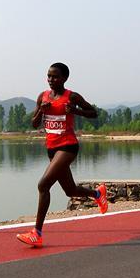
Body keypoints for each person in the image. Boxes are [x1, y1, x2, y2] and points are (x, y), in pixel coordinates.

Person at [16, 62, 108, 247]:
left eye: (55, 76)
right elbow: (34, 124)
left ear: (64, 78)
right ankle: (97, 193)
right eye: (49, 76)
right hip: (51, 148)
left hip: (68, 147)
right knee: (70, 191)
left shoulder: (71, 96)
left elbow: (93, 113)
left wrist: (75, 110)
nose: (51, 79)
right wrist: (42, 110)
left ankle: (37, 233)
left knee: (43, 185)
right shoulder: (42, 97)